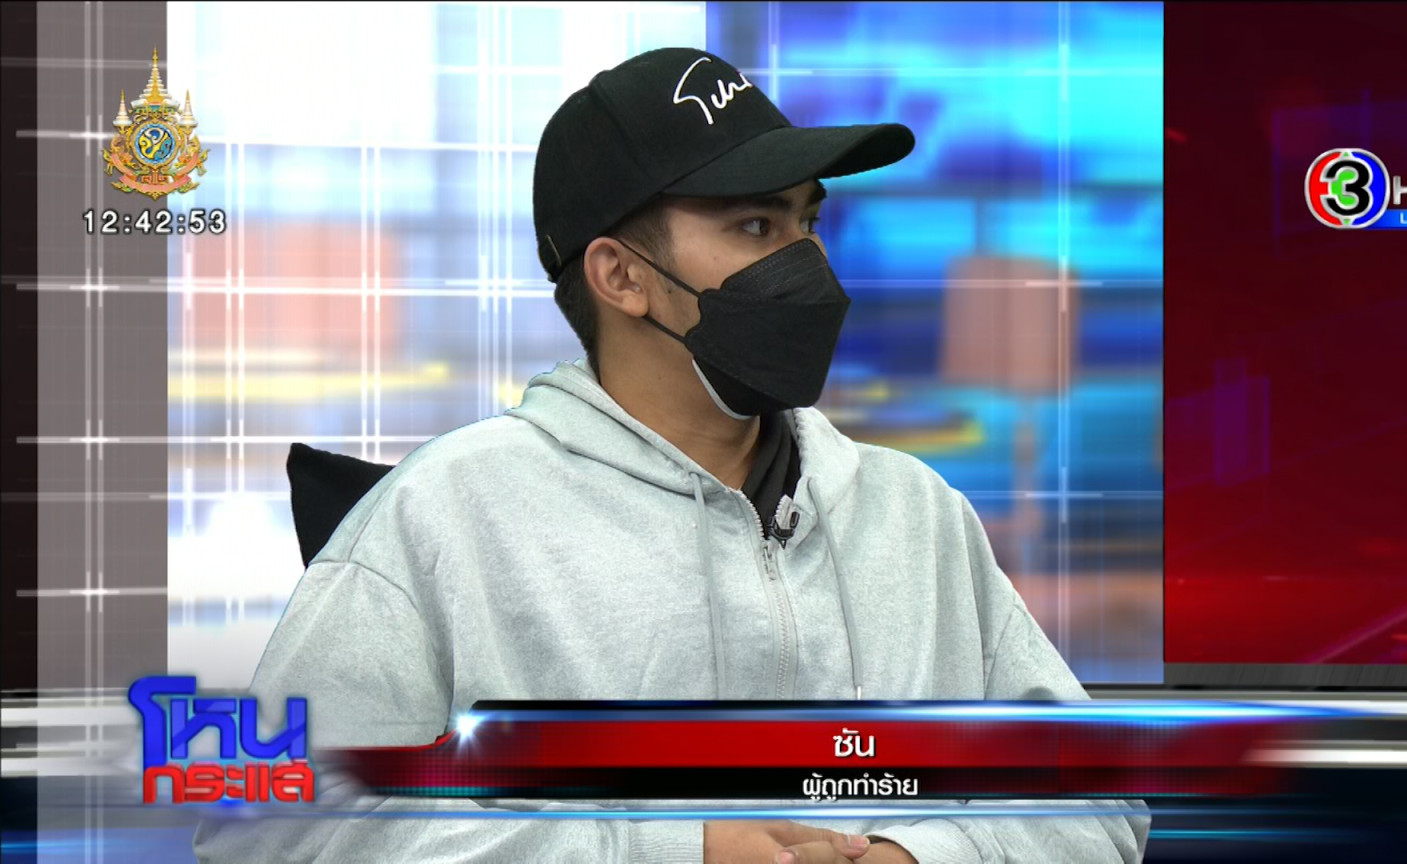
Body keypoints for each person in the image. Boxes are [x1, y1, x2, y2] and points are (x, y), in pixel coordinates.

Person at [194, 47, 1150, 863]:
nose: (807, 263)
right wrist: (665, 848)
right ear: (622, 276)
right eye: (755, 226)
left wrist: (921, 854)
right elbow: (268, 825)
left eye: (808, 222)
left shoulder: (915, 512)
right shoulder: (447, 513)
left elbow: (1098, 794)